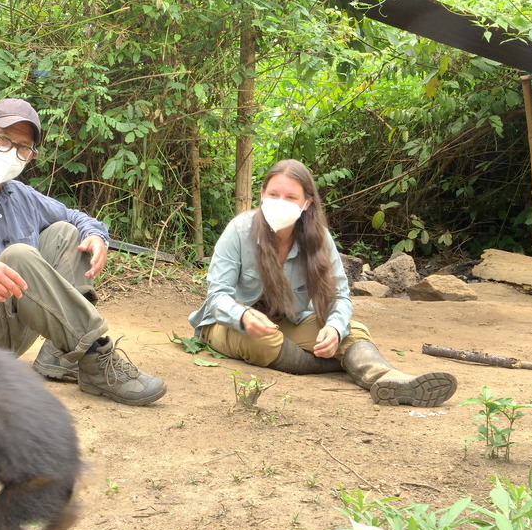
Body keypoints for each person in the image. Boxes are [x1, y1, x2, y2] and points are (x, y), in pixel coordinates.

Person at [0, 97, 166, 406]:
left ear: (30, 156)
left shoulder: (20, 195)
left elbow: (74, 216)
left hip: (3, 328)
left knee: (68, 234)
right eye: (4, 140)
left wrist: (96, 236)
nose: (12, 153)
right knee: (19, 255)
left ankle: (62, 356)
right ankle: (96, 355)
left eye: (23, 148)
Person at [188, 159, 456, 407]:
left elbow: (340, 297)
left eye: (291, 197)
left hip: (286, 321)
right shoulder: (239, 231)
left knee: (352, 330)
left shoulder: (319, 238)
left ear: (306, 203)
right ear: (261, 195)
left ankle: (392, 380)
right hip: (225, 324)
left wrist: (335, 330)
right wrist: (243, 315)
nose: (280, 202)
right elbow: (217, 298)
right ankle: (342, 364)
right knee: (265, 341)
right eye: (273, 195)